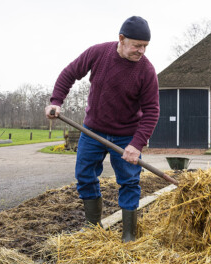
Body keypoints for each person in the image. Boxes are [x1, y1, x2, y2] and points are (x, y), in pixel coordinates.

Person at [45, 16, 159, 242]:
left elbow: (152, 111)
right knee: (85, 176)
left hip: (126, 135)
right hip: (92, 131)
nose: (141, 51)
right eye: (137, 45)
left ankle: (128, 235)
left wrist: (136, 145)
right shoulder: (98, 53)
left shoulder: (146, 71)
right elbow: (69, 73)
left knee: (129, 181)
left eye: (145, 46)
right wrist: (56, 101)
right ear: (121, 39)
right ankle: (93, 229)